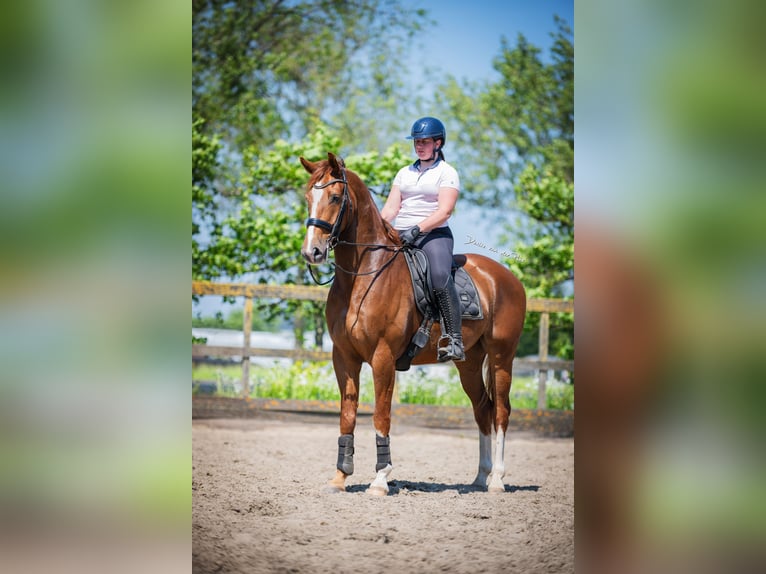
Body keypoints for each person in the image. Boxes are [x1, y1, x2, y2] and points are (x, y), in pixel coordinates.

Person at [380, 116, 465, 362]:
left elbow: (444, 211)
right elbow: (390, 210)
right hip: (401, 234)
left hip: (433, 234)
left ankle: (455, 339)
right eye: (416, 141)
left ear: (438, 143)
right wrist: (378, 227)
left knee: (439, 276)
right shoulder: (404, 173)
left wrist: (417, 229)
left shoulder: (447, 173)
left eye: (424, 141)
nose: (419, 146)